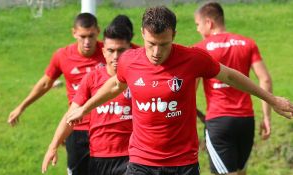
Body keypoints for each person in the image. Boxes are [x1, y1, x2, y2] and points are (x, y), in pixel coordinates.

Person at [65, 6, 293, 175]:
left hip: (182, 162)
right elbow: (115, 84)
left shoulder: (193, 58)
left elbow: (231, 75)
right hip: (141, 161)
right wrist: (84, 108)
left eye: (163, 44)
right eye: (151, 43)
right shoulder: (129, 61)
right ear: (143, 34)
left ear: (173, 35)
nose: (156, 52)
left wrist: (271, 100)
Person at [7, 13, 105, 175]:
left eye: (91, 36)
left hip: (104, 127)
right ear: (74, 33)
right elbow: (46, 83)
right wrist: (21, 106)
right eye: (82, 36)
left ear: (98, 32)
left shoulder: (110, 52)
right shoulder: (63, 56)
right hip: (75, 127)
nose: (87, 42)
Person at [42, 16, 136, 175]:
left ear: (130, 50)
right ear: (104, 51)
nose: (115, 57)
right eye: (111, 51)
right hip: (98, 157)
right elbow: (71, 115)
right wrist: (53, 146)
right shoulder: (92, 78)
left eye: (121, 51)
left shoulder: (138, 78)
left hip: (130, 156)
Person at [193, 2, 273, 175]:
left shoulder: (201, 50)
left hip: (219, 122)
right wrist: (266, 117)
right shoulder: (247, 43)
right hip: (246, 120)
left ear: (209, 22)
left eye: (198, 25)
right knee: (241, 172)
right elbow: (265, 79)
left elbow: (191, 91)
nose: (198, 30)